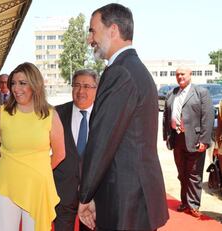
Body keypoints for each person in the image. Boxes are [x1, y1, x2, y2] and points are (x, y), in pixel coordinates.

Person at [77, 4, 169, 230]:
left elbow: (103, 140)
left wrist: (85, 195)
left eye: (92, 30)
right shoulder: (135, 69)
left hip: (125, 199)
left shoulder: (120, 72)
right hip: (134, 196)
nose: (90, 39)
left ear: (113, 30)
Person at [0, 62, 65, 231]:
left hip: (37, 187)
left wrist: (37, 171)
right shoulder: (2, 113)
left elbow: (60, 153)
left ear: (35, 85)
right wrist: (11, 170)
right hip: (6, 184)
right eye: (13, 83)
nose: (16, 88)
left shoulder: (50, 115)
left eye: (22, 83)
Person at [163, 67, 213, 218]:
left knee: (194, 174)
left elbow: (208, 117)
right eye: (177, 74)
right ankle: (184, 202)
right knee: (182, 173)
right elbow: (166, 116)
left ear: (190, 75)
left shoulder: (201, 93)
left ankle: (193, 205)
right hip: (177, 139)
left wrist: (204, 140)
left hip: (195, 140)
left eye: (182, 74)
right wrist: (167, 137)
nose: (179, 77)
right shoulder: (172, 93)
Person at [54, 69, 98, 231]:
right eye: (77, 85)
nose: (81, 91)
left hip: (94, 197)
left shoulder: (104, 116)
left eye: (87, 86)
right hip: (62, 193)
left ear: (96, 89)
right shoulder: (56, 113)